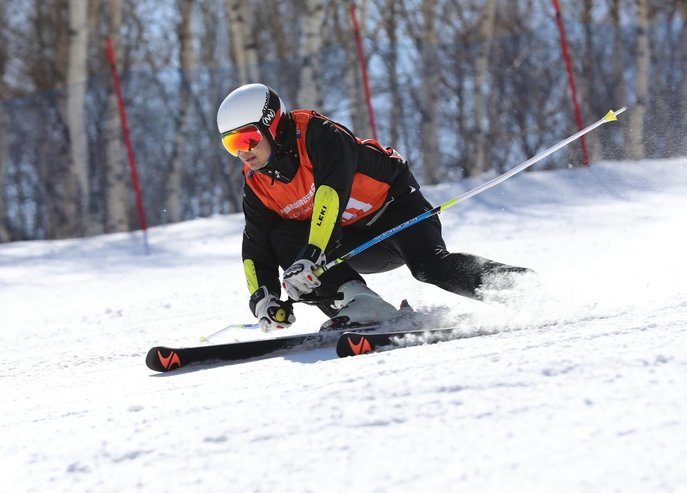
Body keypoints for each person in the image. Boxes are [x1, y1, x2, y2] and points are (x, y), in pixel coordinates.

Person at [217, 83, 531, 333]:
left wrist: (312, 253)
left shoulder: (316, 134)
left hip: (396, 211)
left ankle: (522, 288)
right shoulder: (257, 184)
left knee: (429, 268)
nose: (242, 152)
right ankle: (361, 304)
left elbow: (331, 193)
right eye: (231, 145)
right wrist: (264, 299)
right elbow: (255, 244)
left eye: (248, 138)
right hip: (350, 240)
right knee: (279, 236)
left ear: (272, 125)